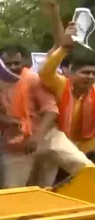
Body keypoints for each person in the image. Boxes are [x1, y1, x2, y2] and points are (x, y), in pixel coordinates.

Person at [0, 44, 92, 188]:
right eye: (8, 64)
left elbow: (51, 110)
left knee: (83, 166)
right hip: (16, 144)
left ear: (24, 63)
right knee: (12, 191)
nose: (13, 67)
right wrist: (10, 121)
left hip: (47, 135)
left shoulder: (32, 79)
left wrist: (36, 137)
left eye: (16, 63)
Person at [39, 22, 95, 155]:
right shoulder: (61, 84)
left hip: (84, 147)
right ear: (71, 72)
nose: (90, 77)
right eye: (85, 72)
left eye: (94, 74)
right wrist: (64, 48)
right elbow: (45, 73)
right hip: (53, 144)